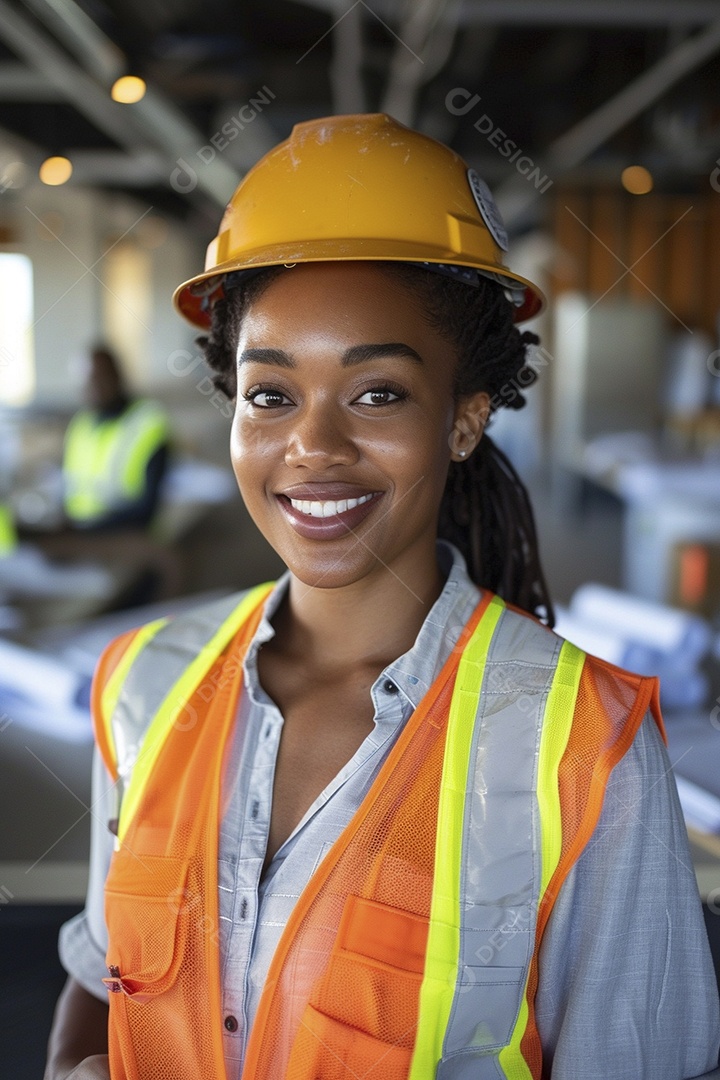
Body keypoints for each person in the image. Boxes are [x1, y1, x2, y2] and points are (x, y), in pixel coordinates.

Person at [44, 114, 720, 1080]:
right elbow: (102, 980)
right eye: (270, 394)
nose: (312, 446)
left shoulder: (583, 747)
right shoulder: (141, 684)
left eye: (377, 394)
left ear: (463, 419)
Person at [62, 346, 169, 532]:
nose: (93, 387)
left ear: (117, 376)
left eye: (99, 378)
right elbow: (68, 492)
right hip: (80, 536)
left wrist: (86, 530)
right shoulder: (80, 425)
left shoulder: (148, 423)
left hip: (128, 537)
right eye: (87, 382)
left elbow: (145, 512)